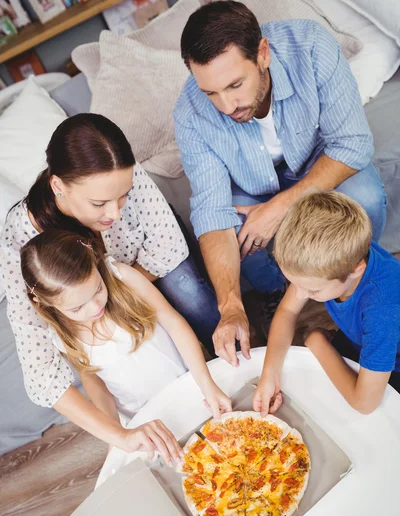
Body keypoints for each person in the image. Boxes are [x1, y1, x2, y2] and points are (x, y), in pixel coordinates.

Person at [174, 0, 387, 368]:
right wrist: (231, 308)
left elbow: (352, 144)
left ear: (263, 53)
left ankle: (353, 282)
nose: (226, 105)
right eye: (212, 93)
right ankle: (282, 291)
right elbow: (212, 212)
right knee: (241, 238)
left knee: (365, 199)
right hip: (250, 187)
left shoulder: (312, 47)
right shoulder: (190, 113)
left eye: (235, 85)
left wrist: (279, 208)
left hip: (318, 161)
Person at [0, 113, 220, 417]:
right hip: (98, 291)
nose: (115, 215)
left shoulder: (118, 172)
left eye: (123, 197)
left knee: (193, 297)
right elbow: (36, 346)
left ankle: (230, 364)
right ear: (58, 186)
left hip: (132, 273)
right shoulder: (20, 231)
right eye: (99, 203)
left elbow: (167, 247)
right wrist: (94, 300)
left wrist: (121, 288)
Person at [20, 230, 232, 463]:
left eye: (98, 289)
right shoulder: (60, 334)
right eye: (77, 309)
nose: (94, 308)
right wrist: (114, 434)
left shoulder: (122, 277)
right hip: (143, 416)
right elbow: (93, 380)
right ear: (43, 302)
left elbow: (174, 322)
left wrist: (206, 383)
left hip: (189, 384)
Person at [253, 191, 400, 417]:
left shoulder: (381, 310)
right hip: (361, 339)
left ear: (354, 270)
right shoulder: (337, 257)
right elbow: (287, 310)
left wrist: (315, 340)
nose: (300, 294)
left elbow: (365, 403)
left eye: (312, 290)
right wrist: (269, 375)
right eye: (293, 283)